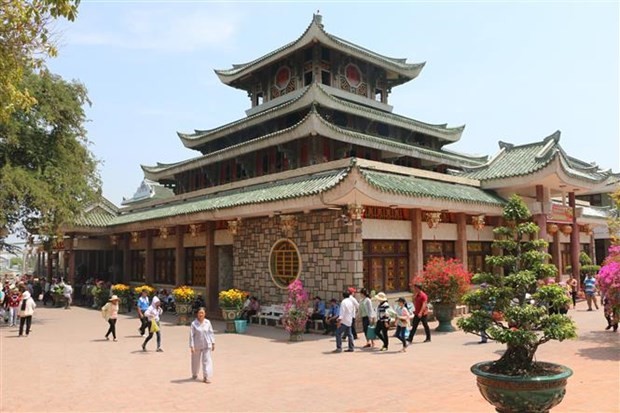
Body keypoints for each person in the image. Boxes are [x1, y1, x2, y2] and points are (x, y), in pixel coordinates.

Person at [189, 307, 216, 383]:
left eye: (202, 313)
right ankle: (195, 373)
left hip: (207, 344)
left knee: (206, 361)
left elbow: (211, 333)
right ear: (197, 314)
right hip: (197, 345)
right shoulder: (194, 324)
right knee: (195, 361)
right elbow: (191, 335)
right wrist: (192, 346)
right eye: (199, 313)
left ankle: (206, 376)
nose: (201, 314)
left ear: (205, 314)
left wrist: (213, 342)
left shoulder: (208, 322)